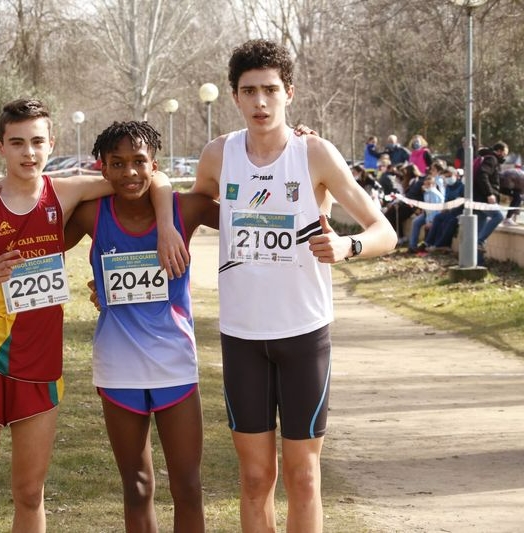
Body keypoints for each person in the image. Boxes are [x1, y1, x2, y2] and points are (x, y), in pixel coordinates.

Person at [0, 98, 187, 533]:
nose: (29, 152)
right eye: (17, 142)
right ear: (0, 146)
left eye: (37, 142)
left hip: (40, 365)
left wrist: (167, 223)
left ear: (51, 144)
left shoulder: (65, 192)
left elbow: (150, 175)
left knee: (30, 493)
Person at [189, 39, 396, 533]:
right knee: (255, 477)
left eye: (270, 90)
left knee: (303, 476)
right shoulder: (218, 154)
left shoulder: (314, 153)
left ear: (289, 93)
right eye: (249, 91)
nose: (260, 102)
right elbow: (189, 212)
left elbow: (384, 231)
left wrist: (347, 246)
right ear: (235, 97)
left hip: (304, 333)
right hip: (242, 336)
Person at [64, 121, 218, 533]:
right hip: (119, 366)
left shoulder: (184, 210)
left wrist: (298, 160)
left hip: (174, 364)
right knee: (136, 486)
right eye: (117, 163)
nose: (129, 172)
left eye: (138, 162)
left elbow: (247, 217)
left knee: (188, 486)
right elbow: (39, 235)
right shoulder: (93, 214)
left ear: (155, 165)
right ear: (103, 168)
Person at [420, 166, 464, 253]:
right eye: (446, 177)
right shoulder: (448, 187)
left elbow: (461, 201)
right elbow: (446, 200)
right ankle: (428, 242)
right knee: (438, 218)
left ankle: (440, 245)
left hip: (458, 212)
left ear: (455, 175)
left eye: (449, 176)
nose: (448, 179)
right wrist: (445, 208)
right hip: (449, 211)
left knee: (449, 221)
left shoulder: (462, 186)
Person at [474, 142, 508, 252]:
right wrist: (489, 194)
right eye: (505, 153)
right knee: (498, 216)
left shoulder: (484, 157)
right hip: (483, 197)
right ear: (499, 151)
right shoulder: (492, 159)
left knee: (480, 230)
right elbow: (482, 175)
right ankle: (480, 241)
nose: (505, 156)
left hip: (477, 197)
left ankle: (477, 258)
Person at [407, 173, 444, 253]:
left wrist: (430, 221)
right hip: (427, 215)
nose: (427, 186)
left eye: (429, 184)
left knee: (428, 227)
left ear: (433, 184)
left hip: (435, 217)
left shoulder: (434, 194)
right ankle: (413, 246)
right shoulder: (426, 193)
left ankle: (426, 245)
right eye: (426, 184)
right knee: (416, 222)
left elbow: (436, 210)